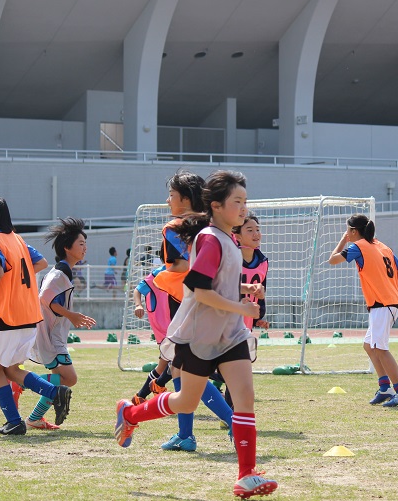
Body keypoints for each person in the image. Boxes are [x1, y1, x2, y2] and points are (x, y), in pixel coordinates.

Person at [114, 170, 278, 499]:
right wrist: (242, 307)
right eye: (237, 202)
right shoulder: (210, 239)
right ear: (216, 206)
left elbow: (218, 282)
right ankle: (129, 413)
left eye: (245, 201)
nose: (244, 208)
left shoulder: (229, 239)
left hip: (230, 334)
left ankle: (246, 475)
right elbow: (199, 289)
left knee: (245, 398)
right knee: (185, 401)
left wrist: (246, 289)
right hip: (198, 335)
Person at [131, 169, 233, 452]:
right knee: (180, 368)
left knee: (188, 371)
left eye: (171, 195)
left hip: (187, 303)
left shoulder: (174, 228)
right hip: (213, 301)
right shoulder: (212, 227)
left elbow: (182, 266)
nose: (167, 201)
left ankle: (233, 421)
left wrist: (159, 276)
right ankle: (185, 435)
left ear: (185, 199)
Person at [0, 196, 72, 435]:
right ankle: (51, 395)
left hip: (5, 315)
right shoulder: (17, 239)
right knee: (10, 369)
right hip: (28, 314)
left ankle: (18, 419)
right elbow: (41, 262)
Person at [328, 214, 398, 407]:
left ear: (353, 231)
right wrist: (387, 286)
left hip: (383, 305)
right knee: (369, 346)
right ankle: (385, 388)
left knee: (380, 348)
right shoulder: (383, 246)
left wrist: (343, 241)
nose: (347, 233)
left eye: (348, 230)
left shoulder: (358, 246)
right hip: (387, 303)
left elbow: (332, 260)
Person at [27, 217, 97, 429]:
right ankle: (21, 382)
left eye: (85, 243)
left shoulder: (63, 272)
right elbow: (44, 298)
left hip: (53, 335)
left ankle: (34, 419)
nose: (85, 247)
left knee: (59, 381)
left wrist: (70, 316)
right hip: (51, 337)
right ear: (67, 247)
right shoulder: (59, 273)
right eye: (81, 243)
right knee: (69, 378)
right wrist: (71, 315)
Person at [212, 214, 270, 408]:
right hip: (224, 319)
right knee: (231, 369)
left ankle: (230, 415)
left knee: (237, 368)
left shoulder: (263, 261)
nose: (256, 234)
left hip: (245, 322)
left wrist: (258, 316)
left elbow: (261, 291)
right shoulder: (230, 258)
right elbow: (220, 287)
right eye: (250, 230)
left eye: (258, 229)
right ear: (237, 236)